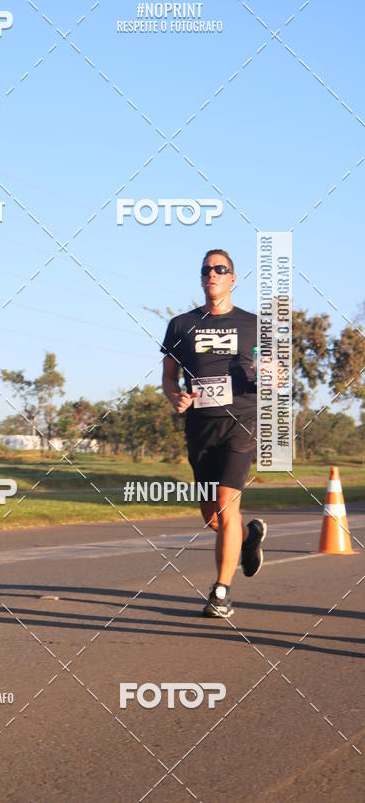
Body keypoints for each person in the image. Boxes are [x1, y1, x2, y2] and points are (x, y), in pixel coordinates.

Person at [161, 249, 266, 618]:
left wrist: (274, 375)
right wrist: (175, 396)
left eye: (220, 269)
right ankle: (249, 537)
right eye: (207, 269)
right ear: (201, 277)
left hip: (242, 423)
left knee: (225, 503)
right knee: (213, 518)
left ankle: (221, 592)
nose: (213, 274)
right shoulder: (180, 325)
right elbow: (169, 376)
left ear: (233, 278)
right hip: (200, 426)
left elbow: (273, 367)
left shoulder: (254, 325)